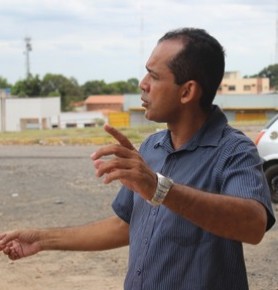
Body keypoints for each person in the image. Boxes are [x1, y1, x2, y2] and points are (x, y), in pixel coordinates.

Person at [0, 28, 276, 290]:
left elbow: (252, 225)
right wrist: (43, 238)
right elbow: (126, 224)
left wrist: (161, 190)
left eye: (153, 76)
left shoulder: (233, 150)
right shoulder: (151, 148)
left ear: (187, 92)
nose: (142, 85)